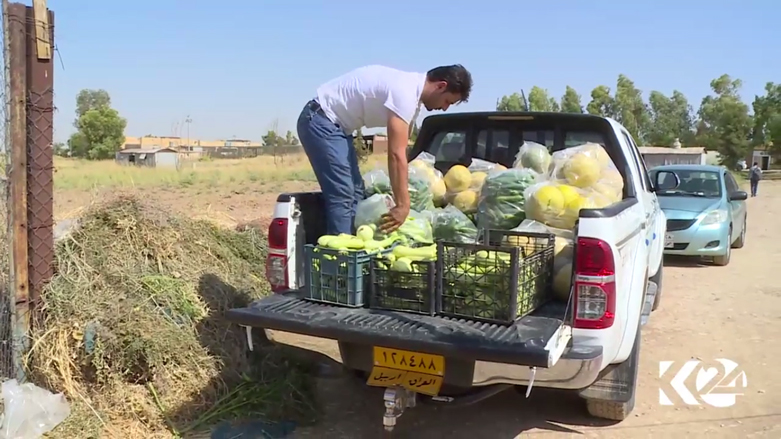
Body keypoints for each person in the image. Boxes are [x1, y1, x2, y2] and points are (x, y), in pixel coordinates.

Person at [296, 64, 473, 235]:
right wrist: (403, 205)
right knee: (343, 194)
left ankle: (356, 250)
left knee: (357, 191)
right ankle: (340, 260)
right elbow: (395, 155)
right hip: (321, 120)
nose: (444, 108)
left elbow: (403, 152)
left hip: (338, 128)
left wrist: (407, 188)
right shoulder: (405, 93)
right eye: (447, 101)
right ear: (441, 86)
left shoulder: (411, 95)